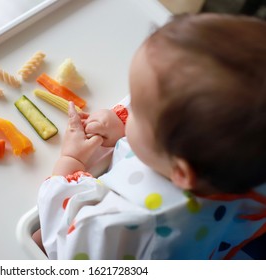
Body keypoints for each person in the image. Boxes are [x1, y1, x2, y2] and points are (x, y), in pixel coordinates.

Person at [33, 13, 266, 260]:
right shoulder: (243, 158)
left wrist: (71, 162)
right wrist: (121, 123)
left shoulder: (133, 224)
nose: (129, 111)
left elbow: (65, 244)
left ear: (181, 172)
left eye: (138, 114)